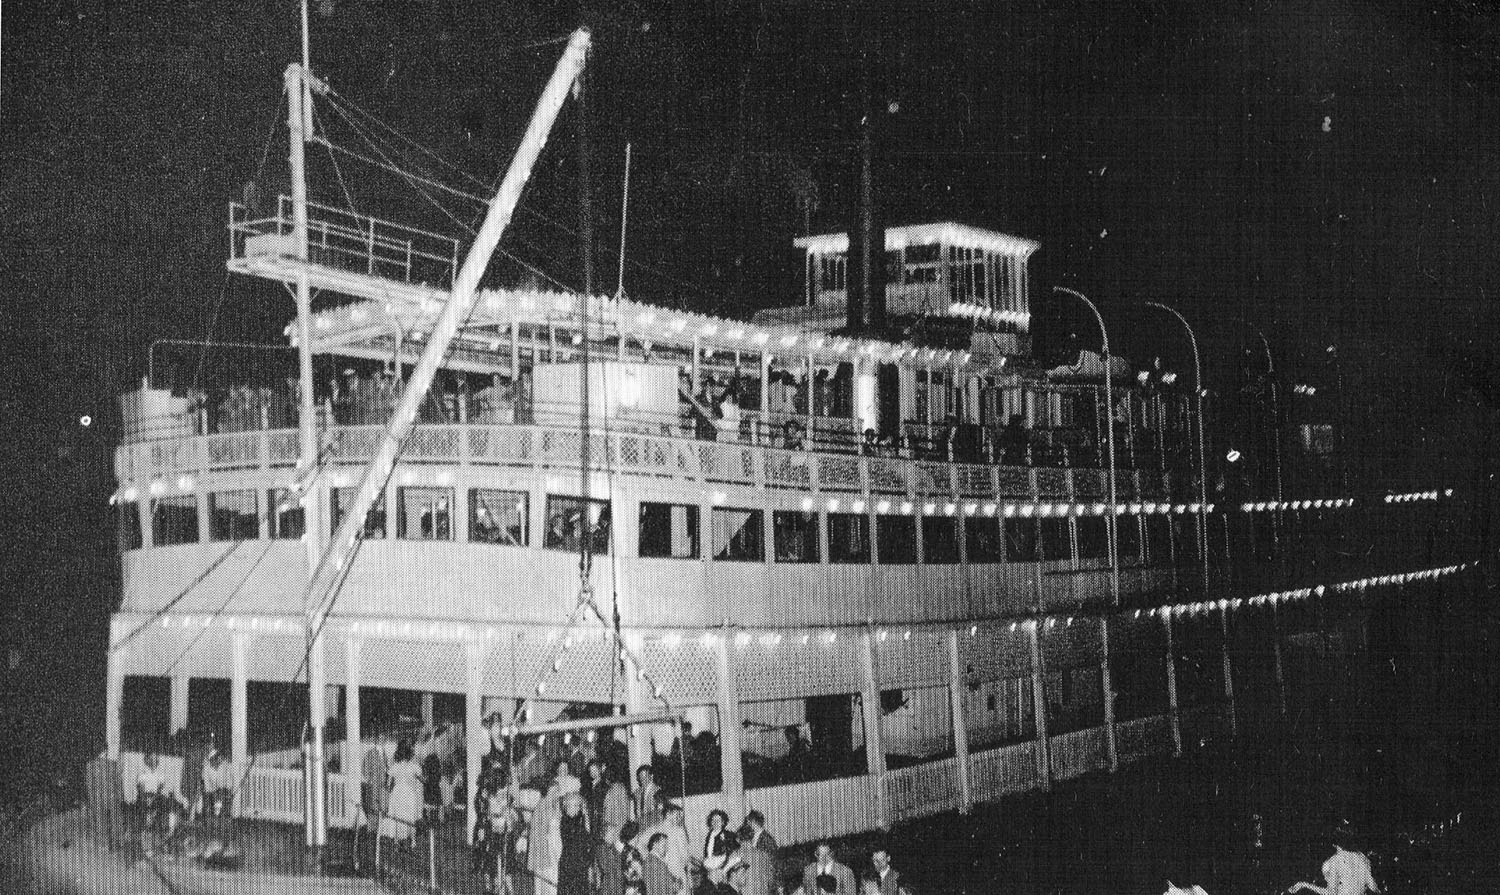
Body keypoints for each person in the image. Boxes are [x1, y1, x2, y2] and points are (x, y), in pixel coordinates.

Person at [1287, 839, 1380, 895]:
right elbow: (1373, 887)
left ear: (1334, 844)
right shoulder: (1361, 857)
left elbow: (1331, 893)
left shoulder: (1334, 861)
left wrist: (1304, 885)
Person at [380, 740, 424, 845]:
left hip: (397, 792)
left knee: (397, 815)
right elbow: (423, 780)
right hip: (408, 793)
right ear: (410, 753)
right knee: (410, 815)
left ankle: (396, 840)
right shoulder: (414, 766)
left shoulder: (394, 766)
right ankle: (413, 841)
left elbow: (387, 785)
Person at [558, 791, 593, 895]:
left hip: (579, 863)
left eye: (579, 805)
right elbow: (584, 839)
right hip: (572, 864)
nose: (579, 808)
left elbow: (588, 838)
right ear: (567, 806)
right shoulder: (567, 822)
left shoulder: (577, 820)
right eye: (576, 805)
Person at [362, 734, 391, 825]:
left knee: (382, 806)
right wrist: (370, 779)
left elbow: (386, 768)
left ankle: (380, 828)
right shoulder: (371, 753)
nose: (383, 740)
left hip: (383, 784)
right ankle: (372, 828)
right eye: (381, 739)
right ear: (377, 740)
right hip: (374, 783)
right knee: (373, 806)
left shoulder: (384, 753)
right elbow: (365, 768)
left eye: (384, 739)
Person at [594, 823, 626, 895]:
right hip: (608, 887)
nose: (615, 836)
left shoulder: (613, 848)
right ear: (604, 834)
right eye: (612, 834)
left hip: (617, 887)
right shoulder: (601, 849)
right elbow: (608, 868)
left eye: (615, 834)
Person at [201, 748, 234, 819]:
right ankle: (213, 816)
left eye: (218, 757)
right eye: (215, 758)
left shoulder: (224, 766)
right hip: (211, 790)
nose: (218, 759)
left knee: (222, 796)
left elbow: (228, 781)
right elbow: (206, 784)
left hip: (222, 790)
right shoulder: (206, 769)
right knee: (210, 799)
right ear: (211, 759)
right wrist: (212, 792)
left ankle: (221, 815)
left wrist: (227, 790)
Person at [620, 821, 647, 895]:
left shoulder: (625, 851)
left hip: (628, 888)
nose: (639, 836)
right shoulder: (633, 853)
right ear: (634, 835)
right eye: (638, 834)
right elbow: (641, 872)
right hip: (635, 889)